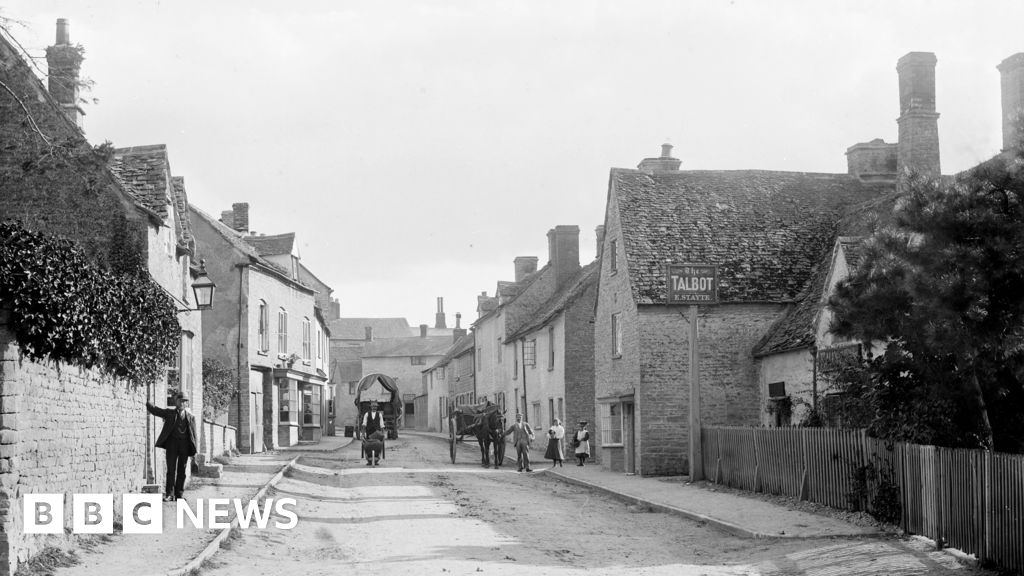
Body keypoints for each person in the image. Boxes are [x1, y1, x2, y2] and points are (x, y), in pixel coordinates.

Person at [146, 392, 198, 502]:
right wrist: (148, 403)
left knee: (182, 471)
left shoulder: (191, 417)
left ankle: (179, 494)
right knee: (171, 470)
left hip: (184, 446)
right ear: (176, 401)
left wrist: (195, 451)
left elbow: (194, 435)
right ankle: (169, 494)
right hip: (172, 445)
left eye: (184, 401)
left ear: (186, 403)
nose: (182, 403)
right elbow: (157, 411)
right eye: (180, 401)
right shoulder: (170, 413)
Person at [361, 401, 385, 466]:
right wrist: (363, 434)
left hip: (377, 434)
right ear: (371, 407)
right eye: (373, 406)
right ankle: (368, 459)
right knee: (368, 446)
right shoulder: (367, 414)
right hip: (369, 433)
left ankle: (377, 459)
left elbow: (382, 425)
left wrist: (383, 434)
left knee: (378, 446)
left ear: (377, 407)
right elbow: (364, 424)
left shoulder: (379, 414)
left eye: (375, 406)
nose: (374, 407)